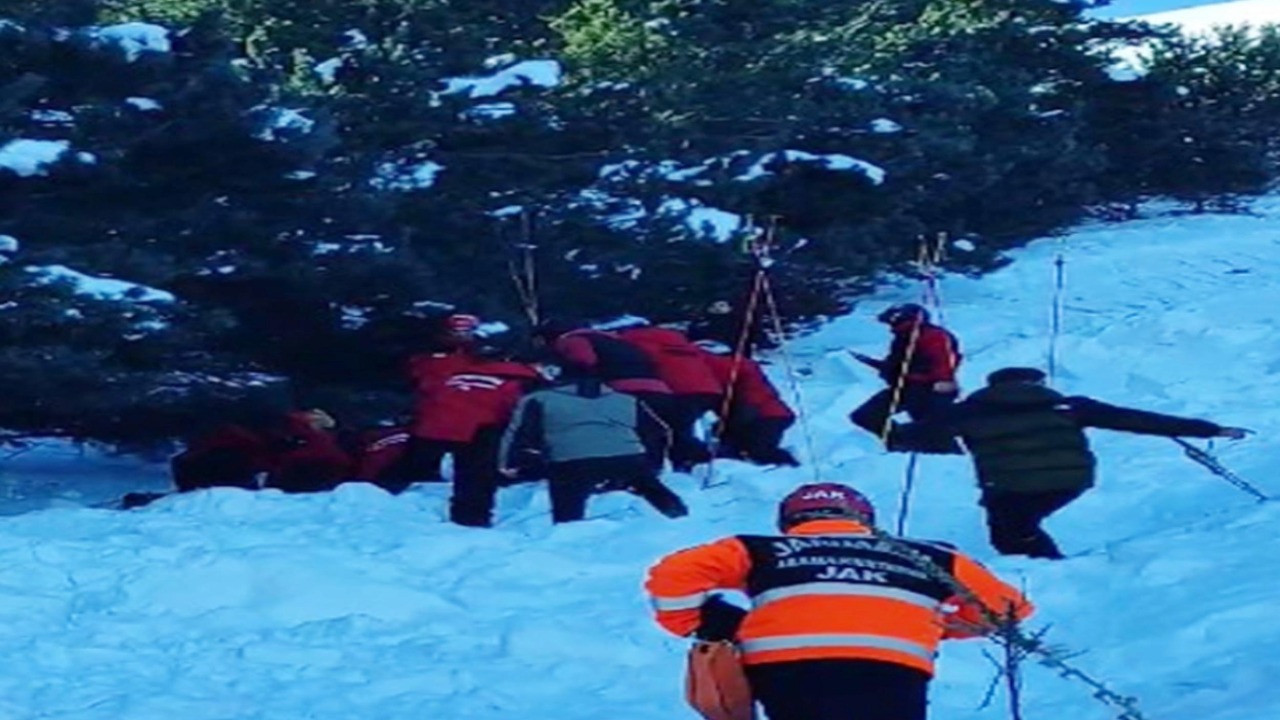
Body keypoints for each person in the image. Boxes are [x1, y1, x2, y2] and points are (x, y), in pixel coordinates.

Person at [644, 482, 1033, 720]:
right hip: (893, 668)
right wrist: (930, 624)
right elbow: (1007, 609)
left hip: (786, 667)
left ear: (788, 521)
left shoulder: (762, 548)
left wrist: (702, 622)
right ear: (866, 518)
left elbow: (675, 573)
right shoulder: (928, 555)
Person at [891, 366, 1250, 559]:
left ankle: (1045, 573)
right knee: (1014, 528)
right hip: (1071, 480)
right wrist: (1210, 429)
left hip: (1008, 485)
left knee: (1011, 530)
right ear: (1035, 382)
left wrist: (912, 424)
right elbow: (1137, 420)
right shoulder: (1070, 405)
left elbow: (916, 434)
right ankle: (1042, 569)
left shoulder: (969, 411)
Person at [498, 366, 688, 523]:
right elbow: (657, 431)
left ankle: (568, 532)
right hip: (628, 455)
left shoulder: (539, 399)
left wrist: (509, 464)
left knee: (568, 500)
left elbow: (519, 432)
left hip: (571, 460)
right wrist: (652, 463)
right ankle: (680, 517)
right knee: (649, 485)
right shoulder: (626, 400)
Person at [407, 342, 541, 527]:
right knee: (477, 475)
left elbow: (425, 385)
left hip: (435, 426)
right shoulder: (516, 377)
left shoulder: (446, 368)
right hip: (483, 427)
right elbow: (515, 408)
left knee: (453, 472)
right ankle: (473, 519)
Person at [535, 318, 677, 469]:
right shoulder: (617, 342)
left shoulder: (572, 339)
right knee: (648, 431)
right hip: (656, 387)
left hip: (622, 388)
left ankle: (621, 472)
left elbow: (584, 361)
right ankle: (651, 468)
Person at [848, 303, 961, 452]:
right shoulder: (904, 337)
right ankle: (902, 443)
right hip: (908, 388)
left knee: (934, 431)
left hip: (927, 390)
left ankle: (943, 457)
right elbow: (901, 363)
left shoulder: (931, 336)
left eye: (893, 321)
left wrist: (941, 382)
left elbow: (942, 362)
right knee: (866, 415)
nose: (891, 327)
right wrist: (884, 367)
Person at [617, 322, 725, 471]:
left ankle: (700, 460)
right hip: (708, 388)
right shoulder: (675, 338)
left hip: (676, 389)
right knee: (680, 426)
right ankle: (691, 462)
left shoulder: (633, 338)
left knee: (668, 429)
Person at [697, 341, 798, 467]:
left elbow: (749, 401)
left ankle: (790, 467)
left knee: (756, 450)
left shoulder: (722, 366)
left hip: (764, 415)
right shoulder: (744, 365)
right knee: (747, 446)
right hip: (774, 414)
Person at [688, 299, 774, 358]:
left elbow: (755, 334)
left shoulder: (739, 321)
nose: (717, 308)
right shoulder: (701, 322)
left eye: (722, 305)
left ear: (729, 307)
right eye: (714, 306)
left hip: (736, 359)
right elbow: (691, 338)